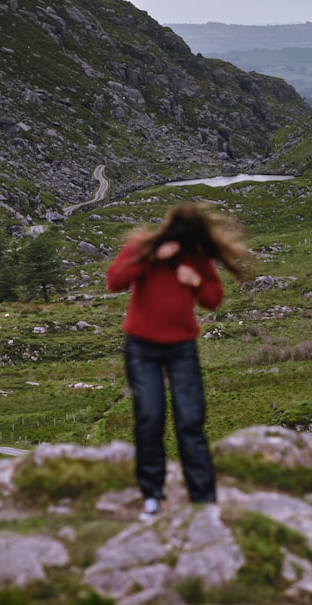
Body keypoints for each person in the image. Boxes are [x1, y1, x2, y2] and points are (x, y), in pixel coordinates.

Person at [106, 202, 250, 520]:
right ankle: (152, 498)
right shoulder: (143, 247)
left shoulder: (195, 255)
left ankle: (203, 500)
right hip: (141, 348)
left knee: (190, 421)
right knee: (150, 418)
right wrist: (150, 258)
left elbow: (213, 299)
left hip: (182, 348)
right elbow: (115, 280)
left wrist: (195, 280)